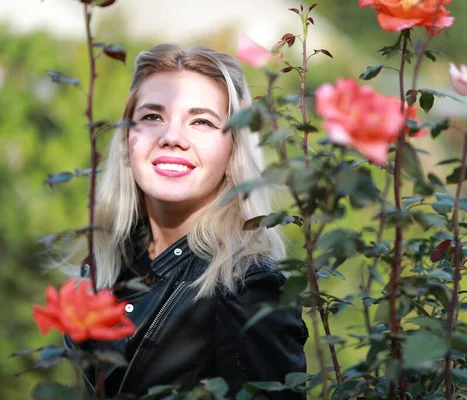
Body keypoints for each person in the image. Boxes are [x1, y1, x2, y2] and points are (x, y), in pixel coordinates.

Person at [63, 44, 308, 399]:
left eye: (202, 121)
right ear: (127, 141)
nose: (172, 137)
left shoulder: (247, 287)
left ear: (233, 151)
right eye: (152, 117)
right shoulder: (106, 266)